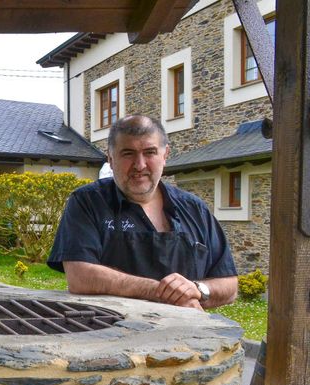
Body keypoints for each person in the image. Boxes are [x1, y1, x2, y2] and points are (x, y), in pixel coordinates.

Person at [47, 115, 238, 309]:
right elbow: (80, 276)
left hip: (188, 335)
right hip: (115, 333)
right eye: (128, 153)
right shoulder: (87, 202)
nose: (139, 165)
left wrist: (198, 289)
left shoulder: (195, 209)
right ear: (111, 159)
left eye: (150, 152)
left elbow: (229, 284)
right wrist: (161, 292)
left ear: (165, 156)